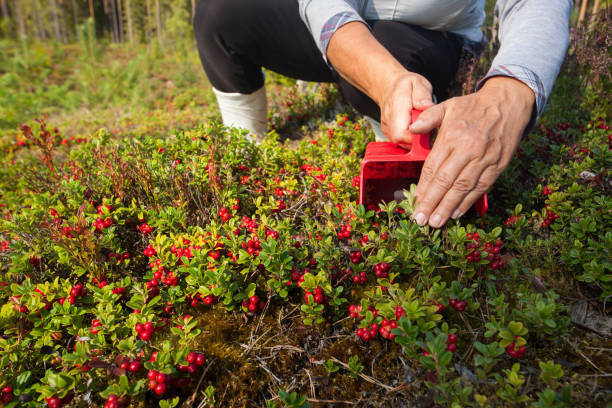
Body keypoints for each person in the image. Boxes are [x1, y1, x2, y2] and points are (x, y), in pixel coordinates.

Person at [193, 0, 571, 228]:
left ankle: (401, 163)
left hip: (435, 38)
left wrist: (509, 93)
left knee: (389, 41)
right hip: (345, 23)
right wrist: (381, 76)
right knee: (220, 12)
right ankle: (244, 150)